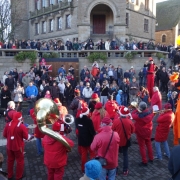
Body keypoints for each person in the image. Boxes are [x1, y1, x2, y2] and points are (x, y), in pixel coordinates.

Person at [3, 112, 28, 180]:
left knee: (10, 161)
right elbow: (26, 137)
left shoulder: (8, 124)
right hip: (18, 147)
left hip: (9, 146)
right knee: (20, 161)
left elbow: (4, 135)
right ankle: (18, 176)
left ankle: (10, 175)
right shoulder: (22, 126)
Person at [112, 107, 135, 176]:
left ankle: (115, 170)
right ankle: (125, 170)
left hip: (117, 141)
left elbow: (112, 129)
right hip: (126, 141)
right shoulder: (130, 121)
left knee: (116, 155)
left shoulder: (116, 121)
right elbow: (133, 131)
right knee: (125, 155)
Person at [131, 101, 154, 166]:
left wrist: (136, 110)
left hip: (141, 133)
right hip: (148, 131)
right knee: (149, 145)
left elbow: (132, 114)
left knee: (142, 147)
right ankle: (151, 158)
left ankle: (144, 161)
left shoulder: (138, 117)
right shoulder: (150, 113)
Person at [76, 107, 96, 173]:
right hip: (89, 140)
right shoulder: (89, 121)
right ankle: (92, 167)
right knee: (92, 153)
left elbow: (77, 128)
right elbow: (92, 131)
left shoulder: (77, 119)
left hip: (81, 139)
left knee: (84, 154)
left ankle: (83, 168)